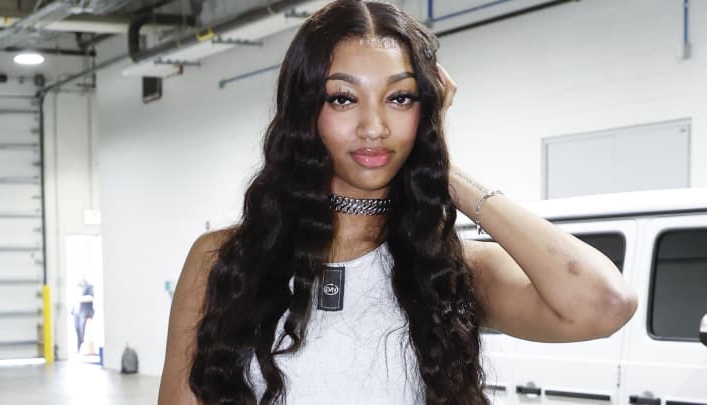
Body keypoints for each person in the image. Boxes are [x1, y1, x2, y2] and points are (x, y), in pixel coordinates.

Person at [158, 1, 638, 404]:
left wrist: (439, 165)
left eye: (401, 98)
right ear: (305, 110)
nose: (374, 126)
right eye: (344, 99)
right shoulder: (222, 262)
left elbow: (604, 303)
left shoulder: (451, 268)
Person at [73, 274, 95, 353]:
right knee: (77, 330)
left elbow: (91, 297)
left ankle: (81, 349)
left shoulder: (89, 286)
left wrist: (80, 298)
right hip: (76, 312)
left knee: (82, 331)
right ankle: (78, 349)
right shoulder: (76, 287)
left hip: (84, 312)